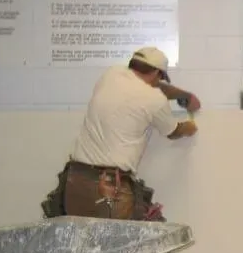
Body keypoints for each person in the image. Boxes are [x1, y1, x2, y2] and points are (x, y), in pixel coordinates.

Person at [41, 46, 200, 221]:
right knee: (125, 237)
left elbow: (156, 86)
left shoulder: (111, 74)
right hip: (109, 188)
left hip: (75, 181)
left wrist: (184, 95)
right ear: (156, 73)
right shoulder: (155, 100)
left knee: (78, 236)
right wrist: (190, 126)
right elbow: (173, 131)